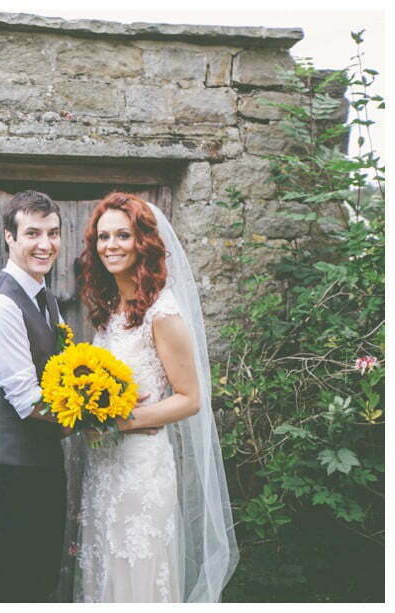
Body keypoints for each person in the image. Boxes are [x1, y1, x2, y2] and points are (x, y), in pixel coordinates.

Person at [73, 192, 238, 602]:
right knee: (105, 568)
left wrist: (122, 419)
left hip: (142, 467)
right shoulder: (110, 309)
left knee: (139, 570)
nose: (110, 245)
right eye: (103, 236)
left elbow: (190, 398)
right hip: (105, 466)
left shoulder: (162, 315)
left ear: (141, 242)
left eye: (122, 236)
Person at [0, 190, 67, 602]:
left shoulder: (45, 300)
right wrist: (101, 413)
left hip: (40, 465)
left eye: (53, 233)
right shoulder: (0, 306)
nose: (45, 244)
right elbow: (28, 401)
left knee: (39, 580)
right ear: (9, 237)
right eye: (32, 233)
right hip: (10, 471)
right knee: (8, 586)